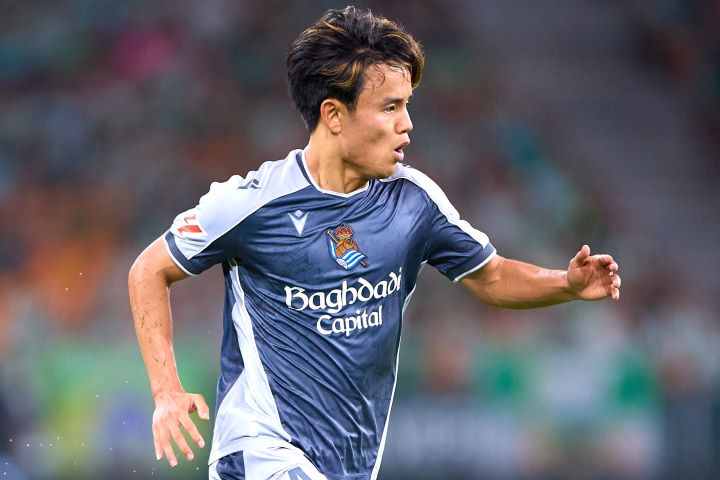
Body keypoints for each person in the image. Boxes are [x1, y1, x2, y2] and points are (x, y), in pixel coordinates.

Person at [128, 6, 621, 480]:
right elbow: (148, 270)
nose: (407, 123)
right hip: (258, 452)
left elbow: (490, 276)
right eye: (390, 107)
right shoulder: (251, 204)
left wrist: (566, 284)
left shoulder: (413, 202)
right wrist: (166, 391)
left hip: (351, 463)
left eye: (406, 105)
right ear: (334, 115)